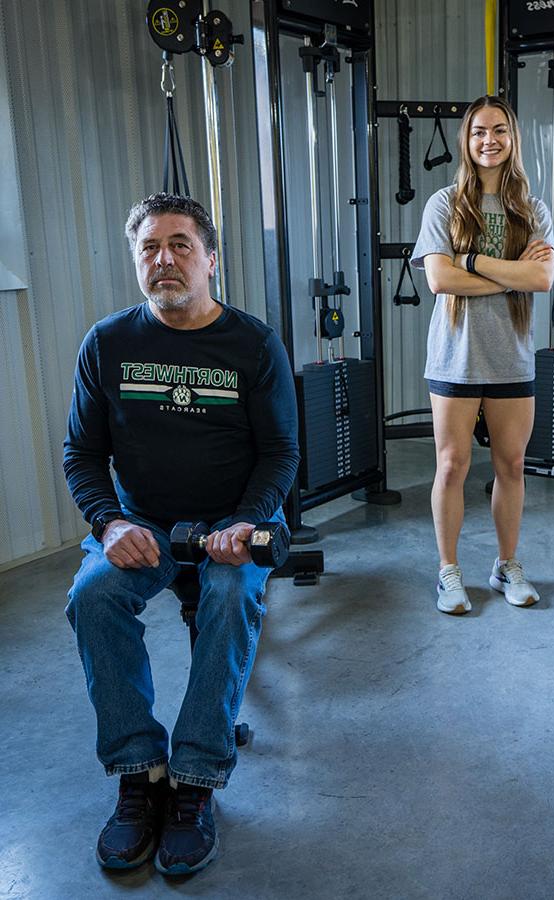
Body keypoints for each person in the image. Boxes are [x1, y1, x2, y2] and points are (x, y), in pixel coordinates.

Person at [63, 193, 299, 875]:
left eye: (180, 245)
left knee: (227, 595)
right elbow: (81, 453)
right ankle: (140, 773)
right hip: (142, 525)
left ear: (210, 260)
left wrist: (248, 519)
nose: (164, 259)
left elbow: (280, 452)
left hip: (237, 522)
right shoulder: (108, 344)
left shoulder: (252, 344)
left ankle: (194, 779)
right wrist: (109, 524)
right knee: (94, 596)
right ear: (136, 260)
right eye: (149, 248)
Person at [411, 95, 554, 615]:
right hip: (455, 356)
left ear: (512, 138)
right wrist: (505, 271)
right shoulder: (444, 204)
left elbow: (540, 278)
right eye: (478, 132)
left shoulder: (532, 210)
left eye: (498, 130)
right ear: (465, 141)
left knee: (511, 465)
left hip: (511, 357)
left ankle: (505, 566)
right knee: (450, 466)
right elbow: (438, 278)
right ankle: (449, 573)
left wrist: (470, 259)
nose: (488, 140)